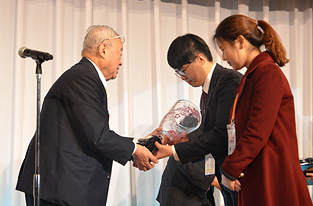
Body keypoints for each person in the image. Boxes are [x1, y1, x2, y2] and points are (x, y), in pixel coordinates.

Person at [16, 25, 160, 206]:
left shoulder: (84, 76)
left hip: (64, 187)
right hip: (60, 187)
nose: (121, 62)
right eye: (120, 53)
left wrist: (140, 144)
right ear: (103, 49)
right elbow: (97, 136)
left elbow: (89, 133)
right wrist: (135, 150)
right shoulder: (84, 77)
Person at [212, 14, 312, 205]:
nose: (224, 58)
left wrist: (230, 169)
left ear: (240, 42)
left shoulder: (267, 73)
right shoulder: (253, 75)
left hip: (272, 173)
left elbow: (257, 131)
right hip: (261, 171)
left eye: (224, 49)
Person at [156, 34, 242, 206]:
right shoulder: (208, 90)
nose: (182, 76)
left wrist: (174, 150)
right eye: (178, 73)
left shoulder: (228, 81)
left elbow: (221, 135)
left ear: (200, 58)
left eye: (183, 69)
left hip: (234, 175)